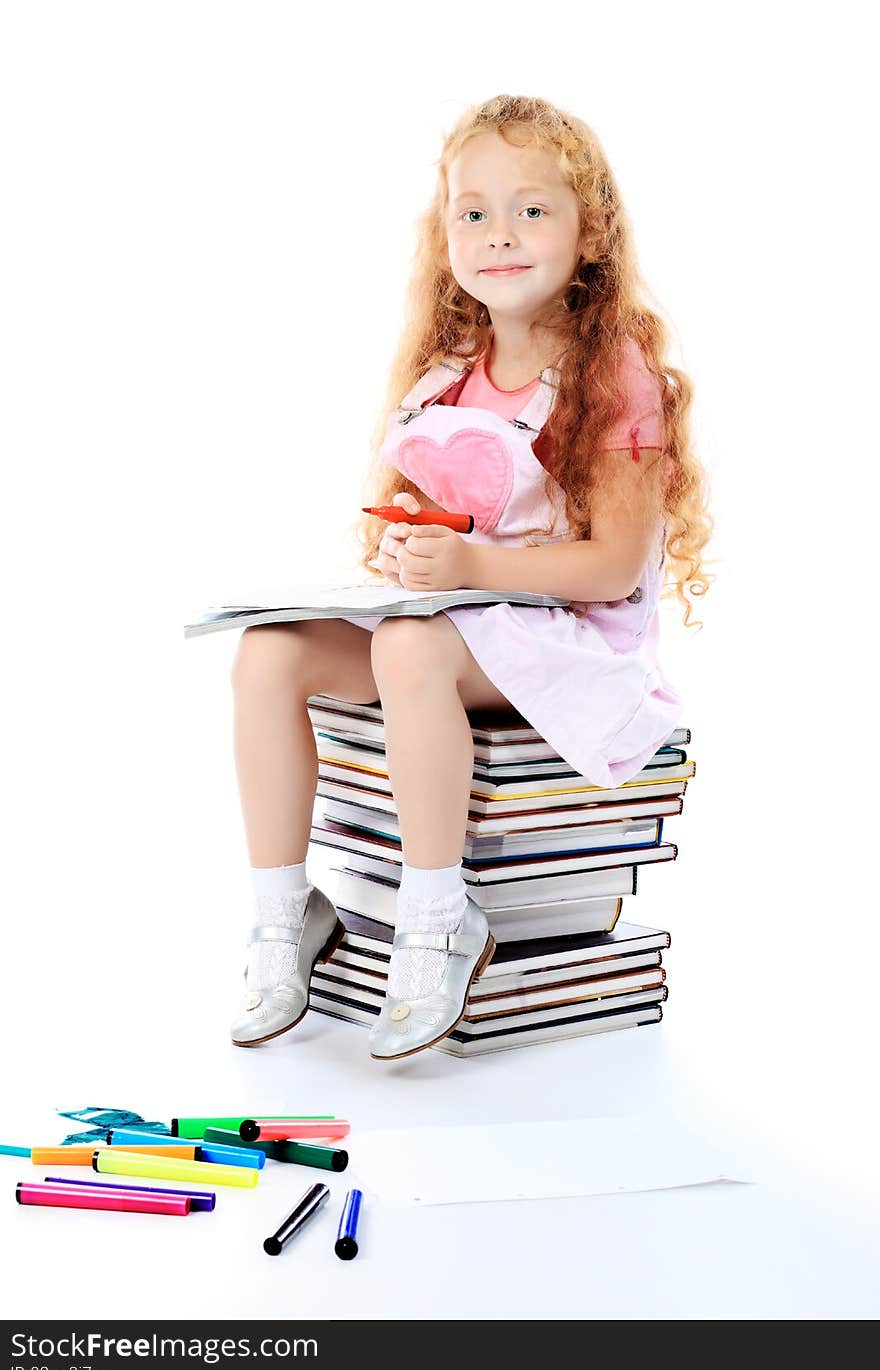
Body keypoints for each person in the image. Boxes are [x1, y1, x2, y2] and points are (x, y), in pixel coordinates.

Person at [229, 93, 713, 1061]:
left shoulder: (607, 370)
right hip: (466, 622)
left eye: (532, 209)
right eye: (473, 211)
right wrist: (410, 546)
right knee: (265, 654)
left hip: (575, 639)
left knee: (411, 648)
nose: (499, 234)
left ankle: (438, 916)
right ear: (442, 229)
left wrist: (468, 566)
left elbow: (613, 569)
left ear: (589, 234)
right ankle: (287, 916)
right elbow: (440, 523)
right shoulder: (448, 370)